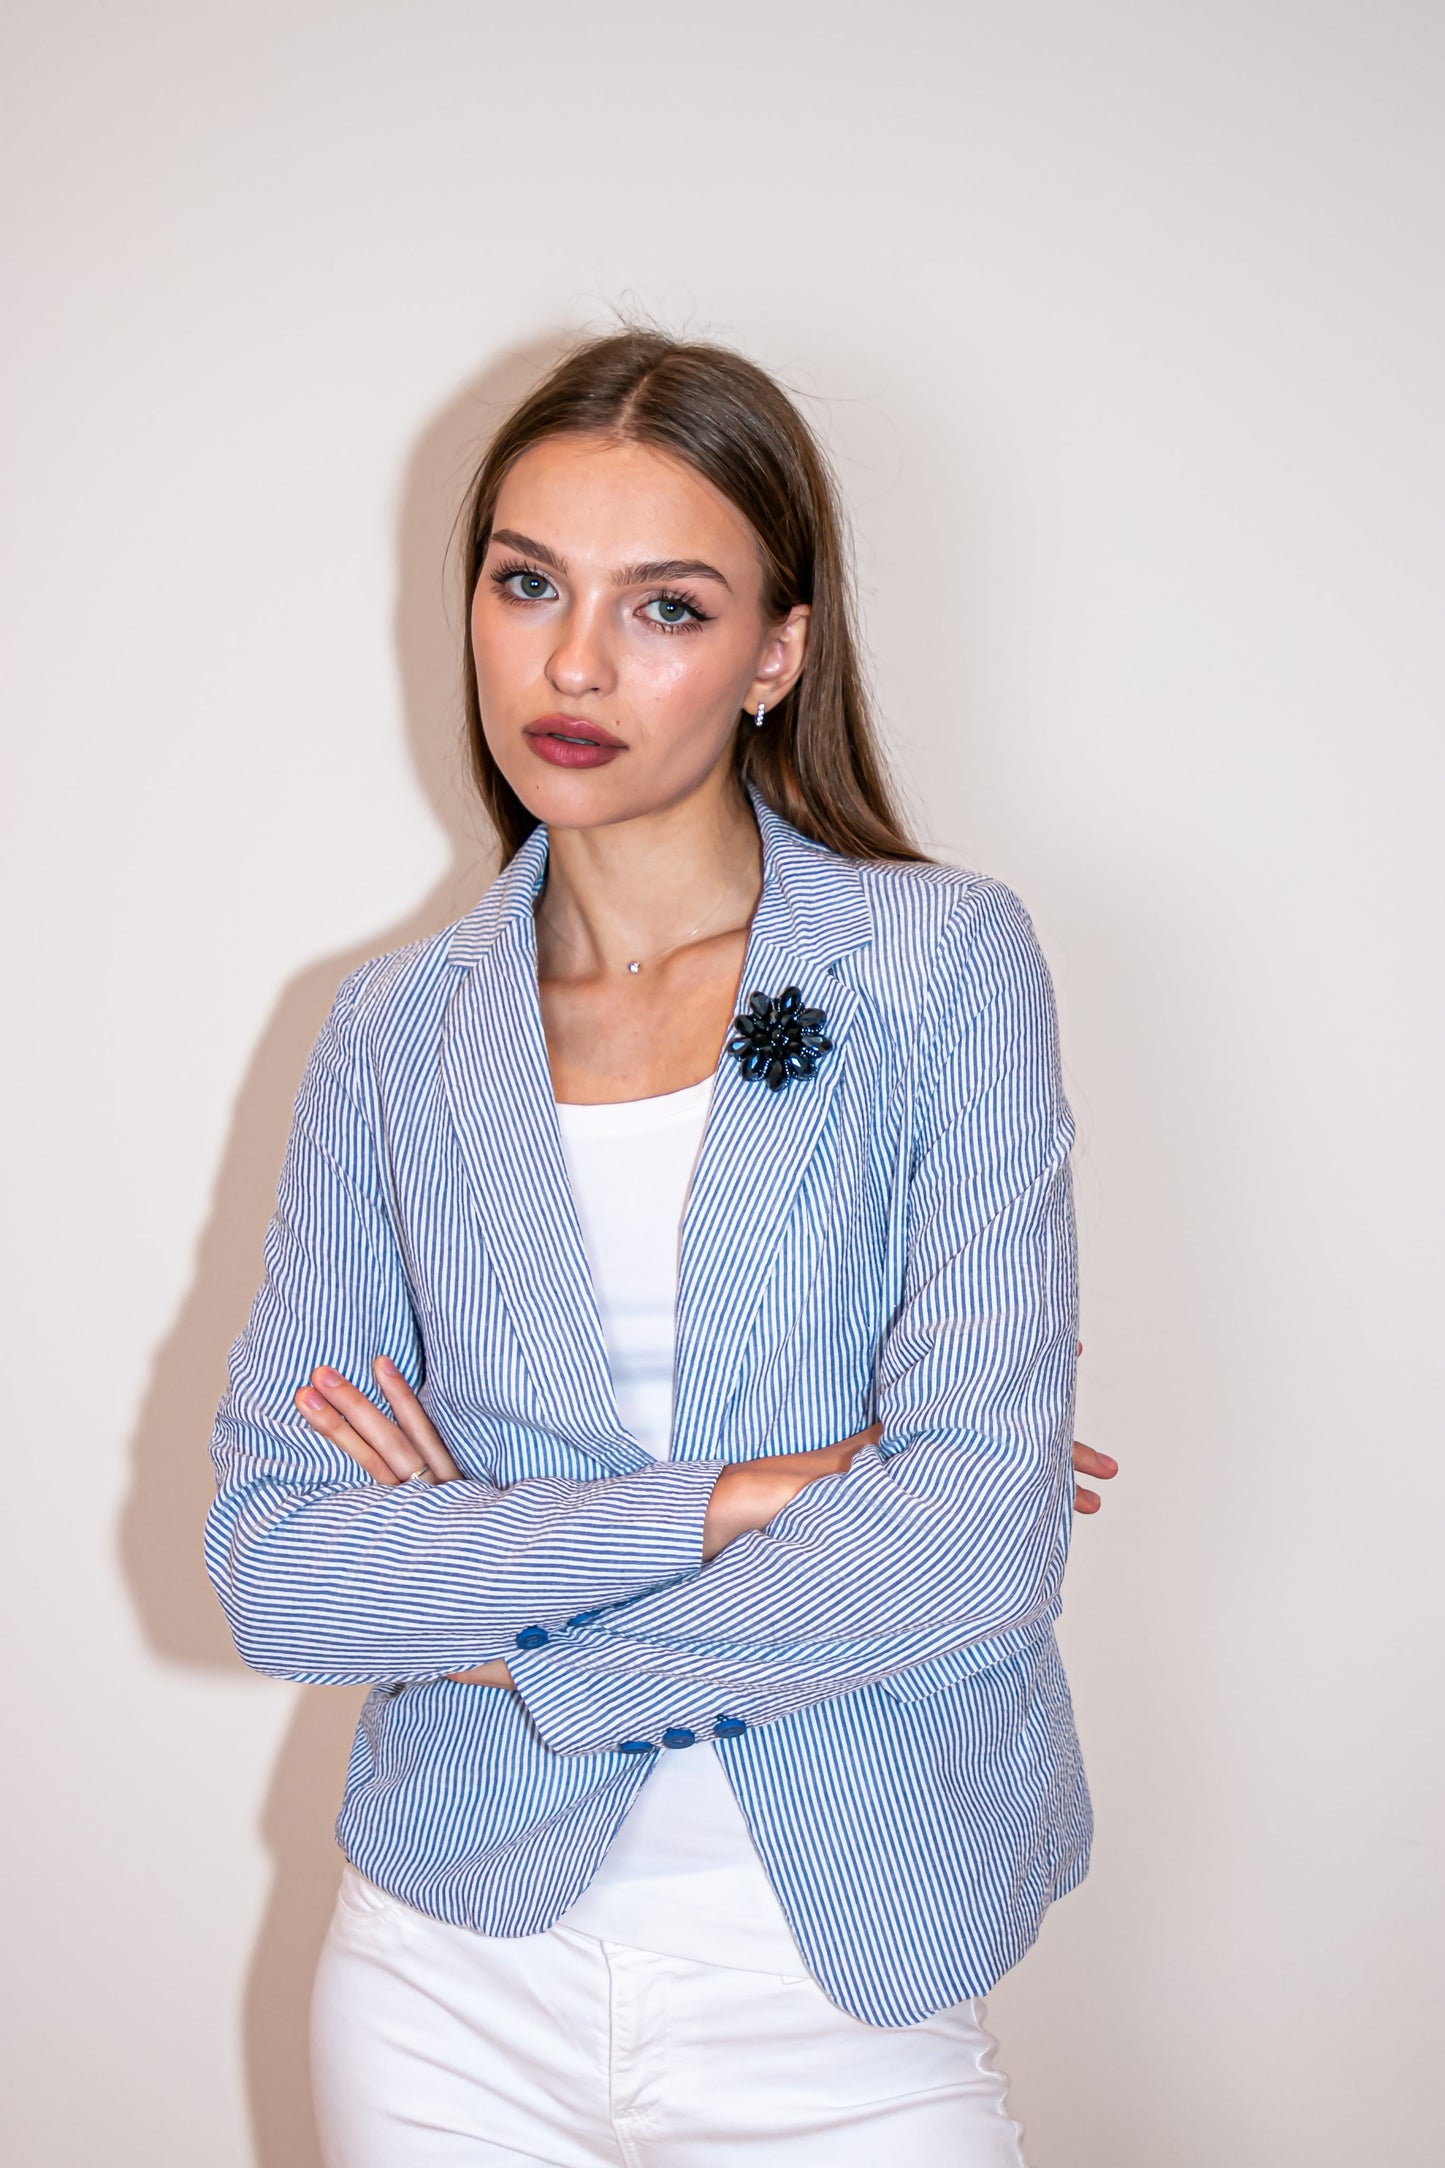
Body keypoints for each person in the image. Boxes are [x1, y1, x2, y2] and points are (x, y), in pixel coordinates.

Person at [206, 329, 1116, 2167]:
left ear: (778, 651)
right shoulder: (389, 1033)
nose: (569, 661)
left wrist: (494, 1625)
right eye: (526, 581)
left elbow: (970, 1540)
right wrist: (735, 1503)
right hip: (447, 1976)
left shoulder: (939, 970)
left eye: (666, 606)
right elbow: (279, 1575)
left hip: (840, 1983)